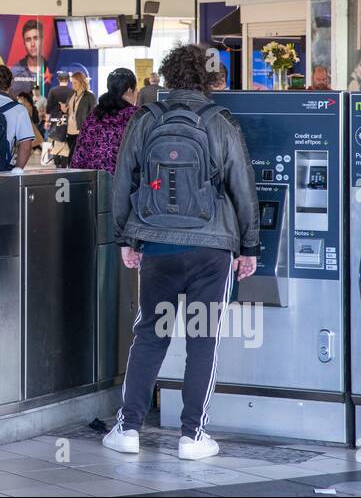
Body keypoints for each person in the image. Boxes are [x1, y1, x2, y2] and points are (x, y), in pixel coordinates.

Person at [105, 43, 259, 462]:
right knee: (202, 339)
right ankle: (193, 436)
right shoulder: (220, 121)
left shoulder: (145, 118)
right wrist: (249, 247)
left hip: (157, 243)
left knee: (150, 337)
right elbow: (242, 187)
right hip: (212, 250)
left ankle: (128, 429)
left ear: (169, 77)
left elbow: (123, 181)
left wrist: (125, 238)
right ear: (209, 81)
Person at [70, 68, 137, 172]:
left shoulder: (94, 113)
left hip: (92, 180)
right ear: (129, 90)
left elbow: (80, 152)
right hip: (123, 182)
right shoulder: (135, 116)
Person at [63, 70, 94, 160]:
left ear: (81, 82)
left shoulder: (89, 97)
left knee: (78, 157)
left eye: (75, 83)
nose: (73, 85)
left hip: (81, 131)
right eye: (72, 83)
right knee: (71, 157)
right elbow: (70, 112)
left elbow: (93, 115)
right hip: (69, 131)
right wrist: (64, 110)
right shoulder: (71, 96)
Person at [12, 19, 48, 89]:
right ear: (24, 44)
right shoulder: (15, 70)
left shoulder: (51, 67)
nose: (32, 44)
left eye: (36, 38)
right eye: (28, 40)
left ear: (42, 41)